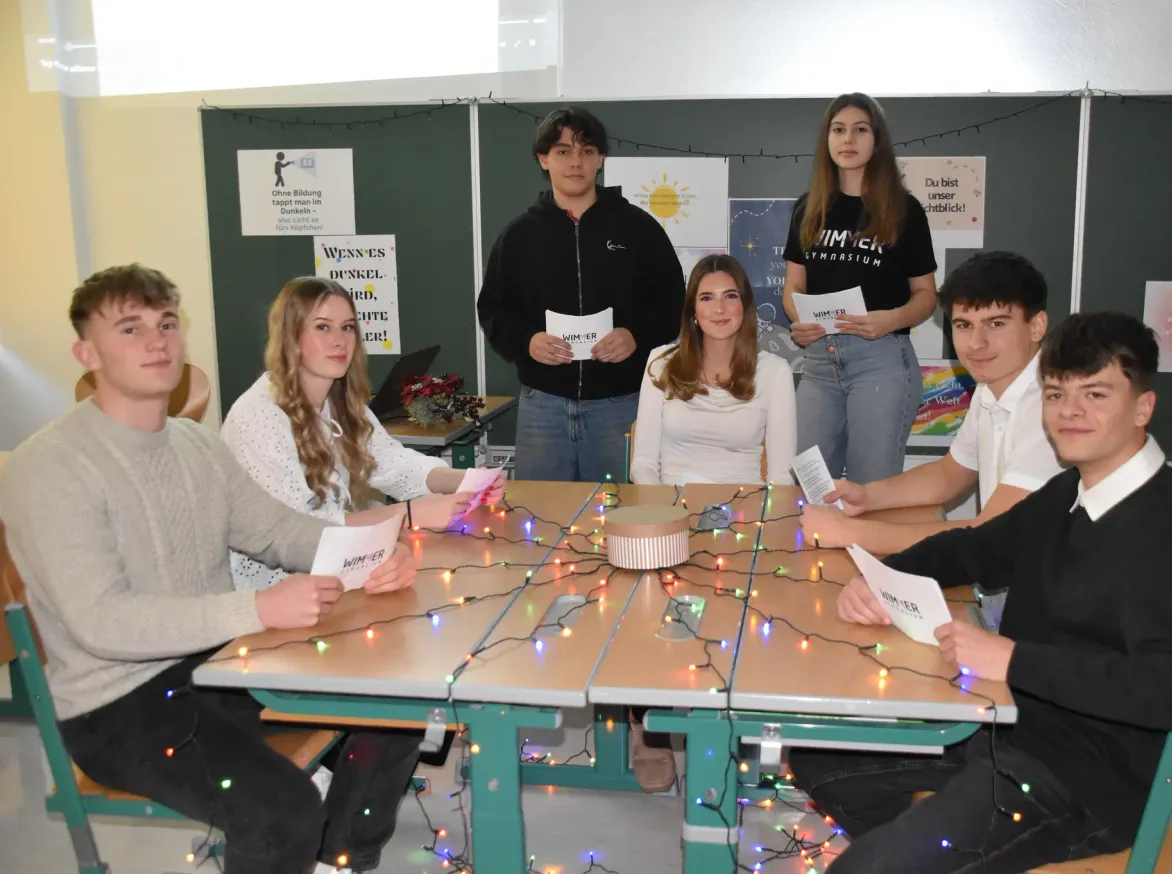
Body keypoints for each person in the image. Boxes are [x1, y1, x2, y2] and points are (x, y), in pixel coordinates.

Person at [0, 264, 425, 874]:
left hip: (216, 666)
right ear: (85, 352)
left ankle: (341, 861)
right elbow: (102, 622)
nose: (157, 341)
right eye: (131, 328)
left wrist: (378, 554)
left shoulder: (196, 446)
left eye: (167, 323)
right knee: (283, 816)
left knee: (396, 711)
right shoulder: (48, 468)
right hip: (118, 707)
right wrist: (256, 608)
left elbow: (277, 531)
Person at [789, 312, 1172, 874]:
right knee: (819, 759)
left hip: (1084, 782)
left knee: (869, 868)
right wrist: (885, 581)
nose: (1070, 412)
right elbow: (972, 549)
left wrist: (1016, 660)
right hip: (1008, 726)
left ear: (1142, 408)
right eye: (1056, 394)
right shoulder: (1069, 493)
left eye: (1095, 394)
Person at [222, 276, 504, 591]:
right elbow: (303, 532)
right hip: (275, 594)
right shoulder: (259, 416)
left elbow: (389, 461)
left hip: (336, 573)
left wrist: (466, 481)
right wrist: (408, 514)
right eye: (322, 327)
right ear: (291, 336)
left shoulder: (338, 399)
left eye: (348, 327)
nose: (339, 341)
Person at [802, 251, 1064, 557]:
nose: (977, 343)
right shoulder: (991, 386)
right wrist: (868, 496)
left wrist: (852, 532)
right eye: (964, 325)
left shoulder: (1051, 407)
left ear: (1037, 326)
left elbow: (993, 534)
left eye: (995, 324)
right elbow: (949, 475)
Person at [477, 106, 685, 482]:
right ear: (543, 159)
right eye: (563, 151)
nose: (576, 162)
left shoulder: (638, 229)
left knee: (620, 521)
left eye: (587, 151)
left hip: (620, 405)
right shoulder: (519, 235)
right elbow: (493, 311)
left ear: (600, 159)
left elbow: (672, 304)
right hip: (543, 407)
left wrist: (636, 336)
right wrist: (527, 342)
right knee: (540, 521)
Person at [784, 93, 938, 485]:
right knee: (812, 485)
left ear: (877, 140)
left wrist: (893, 319)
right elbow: (793, 287)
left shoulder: (905, 210)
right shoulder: (809, 208)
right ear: (827, 139)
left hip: (881, 362)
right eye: (838, 130)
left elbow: (926, 295)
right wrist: (799, 320)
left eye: (860, 130)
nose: (847, 139)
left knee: (873, 490)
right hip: (819, 362)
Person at [631, 254, 796, 486]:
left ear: (745, 305)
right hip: (673, 507)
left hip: (744, 510)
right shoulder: (660, 362)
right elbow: (643, 465)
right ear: (693, 311)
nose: (719, 309)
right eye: (707, 298)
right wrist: (663, 510)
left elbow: (781, 475)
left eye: (730, 296)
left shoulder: (775, 372)